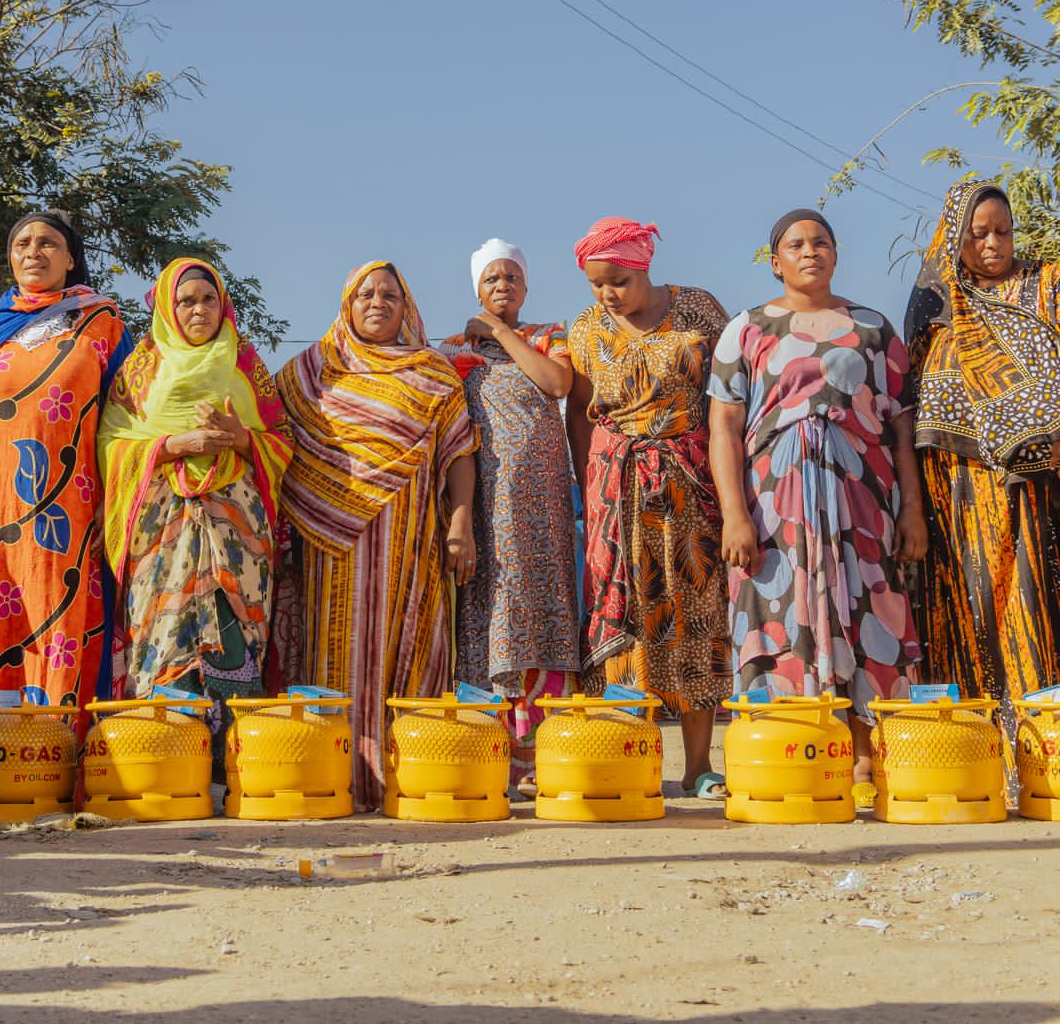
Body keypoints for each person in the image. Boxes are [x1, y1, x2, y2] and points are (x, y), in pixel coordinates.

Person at [707, 208, 922, 804]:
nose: (810, 252)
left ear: (836, 252)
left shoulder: (873, 330)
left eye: (821, 242)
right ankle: (787, 755)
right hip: (774, 506)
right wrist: (734, 514)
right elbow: (723, 428)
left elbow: (902, 428)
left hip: (864, 500)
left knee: (867, 613)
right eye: (796, 245)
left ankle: (864, 758)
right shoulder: (746, 331)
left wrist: (912, 510)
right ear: (775, 262)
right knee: (781, 614)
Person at [901, 180, 1060, 732]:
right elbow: (911, 396)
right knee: (974, 602)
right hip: (959, 489)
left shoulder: (1051, 282)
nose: (994, 244)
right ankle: (980, 740)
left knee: (1043, 596)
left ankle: (1055, 738)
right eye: (978, 234)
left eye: (1003, 231)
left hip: (1049, 475)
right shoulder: (937, 303)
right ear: (954, 238)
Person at [275, 261, 476, 809]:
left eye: (389, 294)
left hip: (409, 538)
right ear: (347, 302)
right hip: (325, 542)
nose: (376, 303)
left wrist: (461, 523)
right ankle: (330, 775)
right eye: (365, 293)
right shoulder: (308, 371)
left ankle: (408, 776)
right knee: (329, 651)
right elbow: (273, 436)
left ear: (406, 304)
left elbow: (459, 452)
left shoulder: (435, 374)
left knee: (411, 650)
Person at [562, 217, 727, 795]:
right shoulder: (583, 329)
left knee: (695, 614)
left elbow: (729, 397)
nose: (607, 294)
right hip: (615, 490)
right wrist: (593, 493)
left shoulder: (699, 310)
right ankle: (634, 762)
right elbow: (581, 412)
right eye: (596, 284)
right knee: (624, 621)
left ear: (644, 266)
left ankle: (699, 764)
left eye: (617, 281)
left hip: (688, 487)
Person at [0, 211, 125, 705]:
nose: (33, 252)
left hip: (72, 508)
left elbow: (125, 419)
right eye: (22, 243)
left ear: (70, 258)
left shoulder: (100, 321)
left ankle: (58, 750)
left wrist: (116, 499)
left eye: (48, 243)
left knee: (60, 614)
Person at [99, 258, 292, 720]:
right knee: (161, 638)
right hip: (161, 531)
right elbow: (110, 444)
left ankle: (235, 764)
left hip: (237, 533)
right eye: (186, 301)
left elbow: (282, 440)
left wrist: (240, 437)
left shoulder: (246, 364)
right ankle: (166, 754)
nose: (199, 310)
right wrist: (173, 445)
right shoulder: (140, 368)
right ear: (168, 307)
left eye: (209, 299)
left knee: (234, 639)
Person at [440, 239, 580, 778]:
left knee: (544, 608)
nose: (502, 286)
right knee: (492, 606)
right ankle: (493, 752)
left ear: (525, 285)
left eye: (511, 277)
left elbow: (556, 383)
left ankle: (543, 753)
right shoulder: (453, 350)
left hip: (541, 500)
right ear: (477, 288)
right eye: (492, 279)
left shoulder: (549, 337)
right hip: (483, 502)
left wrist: (500, 333)